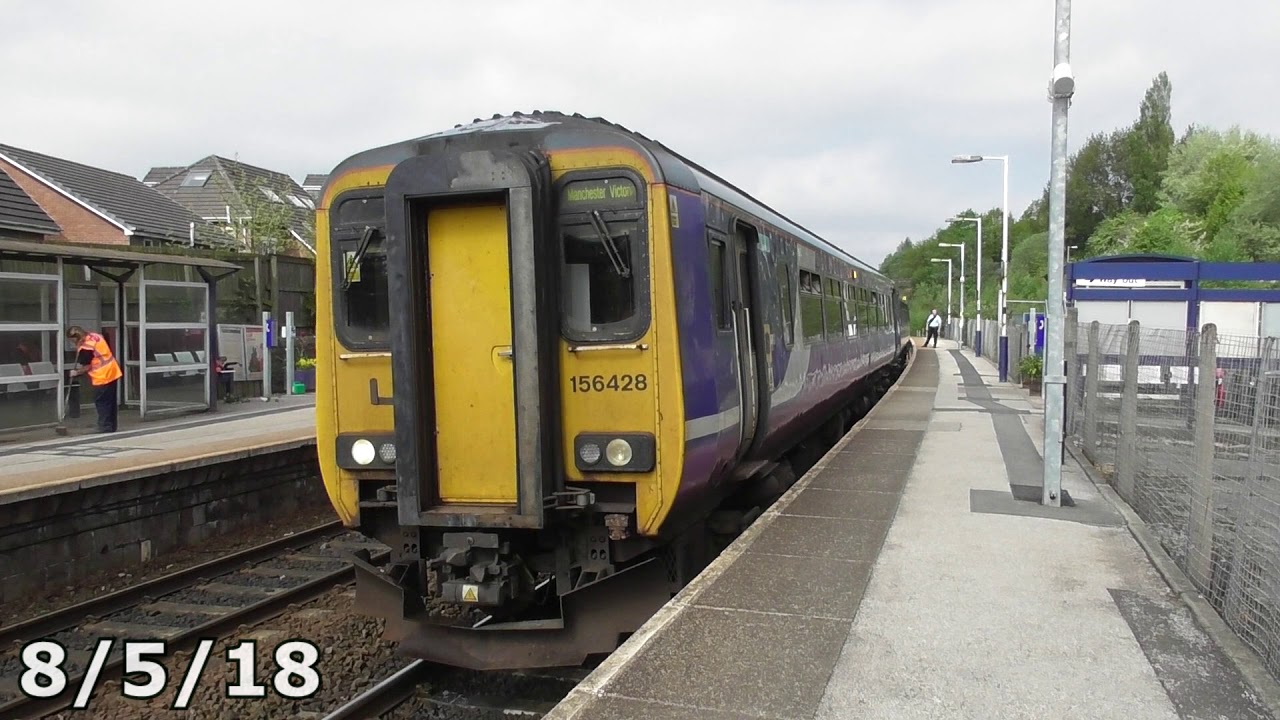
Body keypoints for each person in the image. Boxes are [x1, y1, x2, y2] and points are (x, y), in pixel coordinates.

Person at [67, 325, 123, 433]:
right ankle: (111, 426)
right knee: (111, 400)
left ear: (75, 338)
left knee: (101, 401)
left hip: (102, 375)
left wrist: (76, 372)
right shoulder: (95, 336)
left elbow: (87, 366)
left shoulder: (86, 348)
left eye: (72, 340)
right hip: (113, 370)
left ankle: (104, 426)